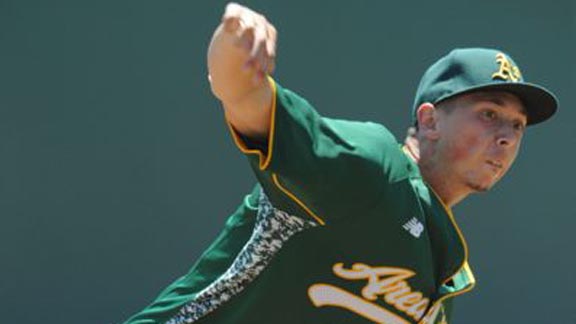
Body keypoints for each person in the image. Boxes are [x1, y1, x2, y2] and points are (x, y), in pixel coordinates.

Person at [123, 3, 558, 324]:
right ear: (429, 121)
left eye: (518, 125)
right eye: (489, 114)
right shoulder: (372, 168)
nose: (506, 135)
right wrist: (236, 47)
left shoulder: (447, 270)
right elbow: (245, 100)